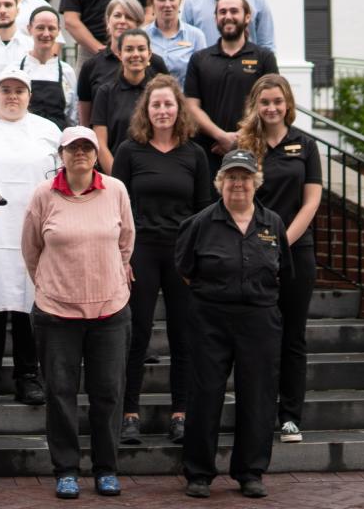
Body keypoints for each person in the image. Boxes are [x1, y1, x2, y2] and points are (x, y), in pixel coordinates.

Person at [21, 126, 134, 500]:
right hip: (56, 313)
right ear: (62, 154)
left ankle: (106, 469)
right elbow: (31, 248)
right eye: (73, 148)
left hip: (109, 310)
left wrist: (112, 277)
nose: (81, 154)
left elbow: (126, 241)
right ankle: (66, 469)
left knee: (108, 393)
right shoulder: (44, 194)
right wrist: (52, 284)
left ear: (97, 153)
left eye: (87, 147)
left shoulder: (116, 190)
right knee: (60, 393)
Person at [176, 149, 290, 500]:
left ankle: (250, 471)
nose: (237, 183)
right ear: (220, 182)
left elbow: (283, 271)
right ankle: (198, 474)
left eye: (244, 177)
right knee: (204, 394)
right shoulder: (199, 224)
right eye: (231, 177)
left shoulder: (273, 224)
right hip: (210, 318)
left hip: (259, 319)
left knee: (258, 395)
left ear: (255, 182)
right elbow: (184, 270)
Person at [112, 75, 211, 450]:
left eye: (169, 104)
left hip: (182, 254)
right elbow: (116, 207)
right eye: (156, 105)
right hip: (140, 253)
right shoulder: (129, 151)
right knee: (136, 334)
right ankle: (129, 414)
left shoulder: (194, 154)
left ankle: (181, 414)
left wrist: (198, 259)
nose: (163, 110)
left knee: (182, 337)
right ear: (146, 110)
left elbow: (204, 209)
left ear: (178, 108)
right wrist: (121, 257)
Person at [0, 67, 60, 408]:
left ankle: (28, 375)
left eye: (19, 90)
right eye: (5, 89)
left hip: (33, 228)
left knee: (27, 302)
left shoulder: (47, 131)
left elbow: (57, 181)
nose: (12, 96)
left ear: (29, 95)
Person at [238, 74, 322, 447]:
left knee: (292, 337)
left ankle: (290, 416)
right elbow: (235, 198)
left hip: (295, 253)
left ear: (287, 103)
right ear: (256, 105)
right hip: (251, 253)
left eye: (277, 101)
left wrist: (281, 245)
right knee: (255, 336)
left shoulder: (305, 145)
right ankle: (255, 413)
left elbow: (312, 202)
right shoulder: (244, 145)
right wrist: (259, 248)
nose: (271, 108)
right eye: (264, 102)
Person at [184, 0, 279, 158]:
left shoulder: (264, 58)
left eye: (234, 11)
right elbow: (191, 107)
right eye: (222, 12)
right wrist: (221, 136)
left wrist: (239, 140)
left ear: (247, 17)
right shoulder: (199, 59)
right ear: (215, 19)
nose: (228, 16)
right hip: (207, 152)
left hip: (252, 151)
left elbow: (271, 102)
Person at [77, 0, 166, 126]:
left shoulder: (156, 63)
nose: (122, 21)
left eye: (129, 17)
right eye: (117, 15)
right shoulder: (91, 66)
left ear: (138, 24)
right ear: (108, 21)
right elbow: (85, 119)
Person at [93, 29, 163, 174]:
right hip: (115, 175)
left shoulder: (160, 93)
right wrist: (118, 180)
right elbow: (100, 144)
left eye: (141, 49)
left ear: (149, 54)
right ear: (119, 54)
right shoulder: (105, 92)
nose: (136, 54)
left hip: (154, 173)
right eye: (129, 49)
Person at [19, 6, 78, 129]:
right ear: (29, 29)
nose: (46, 34)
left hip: (58, 141)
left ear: (58, 31)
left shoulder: (67, 72)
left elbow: (74, 116)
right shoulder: (16, 69)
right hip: (24, 138)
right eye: (40, 28)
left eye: (51, 28)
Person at [145, 0, 207, 89]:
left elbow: (202, 77)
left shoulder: (196, 36)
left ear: (179, 2)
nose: (167, 5)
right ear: (152, 3)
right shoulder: (143, 36)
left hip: (185, 104)